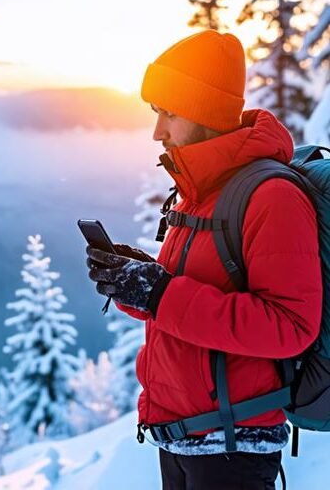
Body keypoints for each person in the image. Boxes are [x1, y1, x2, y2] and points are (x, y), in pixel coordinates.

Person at [85, 30, 323, 490]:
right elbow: (189, 304)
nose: (157, 131)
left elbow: (290, 326)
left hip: (233, 447)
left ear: (204, 110)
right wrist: (136, 282)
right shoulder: (201, 191)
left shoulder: (271, 197)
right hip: (186, 437)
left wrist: (159, 292)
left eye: (167, 113)